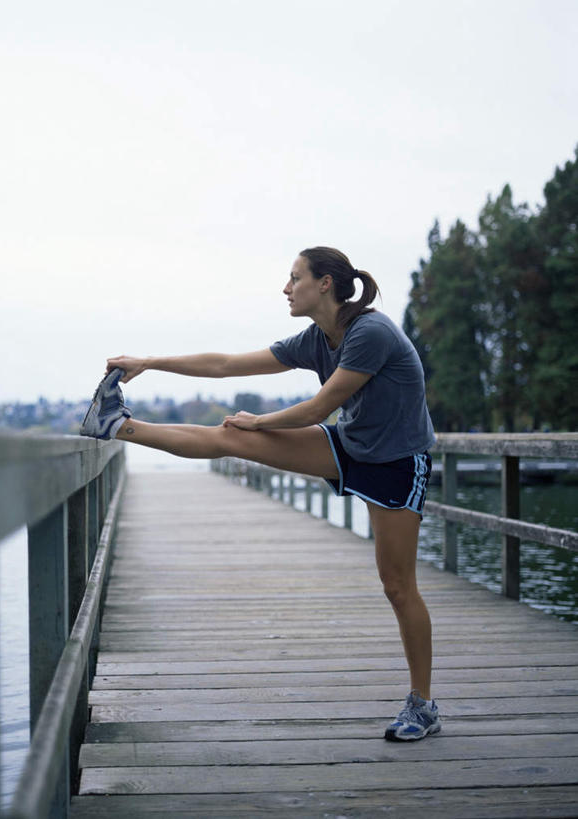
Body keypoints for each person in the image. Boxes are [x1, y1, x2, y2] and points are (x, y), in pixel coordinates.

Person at [80, 245, 440, 741]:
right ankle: (117, 425)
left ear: (325, 285)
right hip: (352, 446)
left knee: (397, 586)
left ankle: (423, 705)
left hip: (399, 462)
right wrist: (150, 361)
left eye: (295, 278)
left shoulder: (370, 333)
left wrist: (261, 419)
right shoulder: (316, 338)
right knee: (234, 438)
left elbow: (320, 407)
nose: (286, 288)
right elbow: (227, 364)